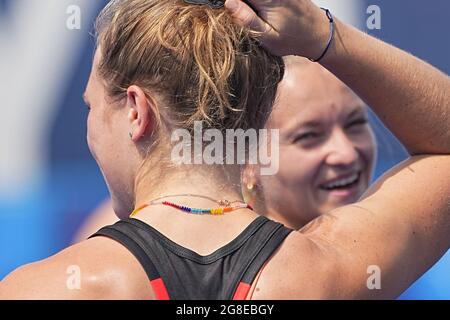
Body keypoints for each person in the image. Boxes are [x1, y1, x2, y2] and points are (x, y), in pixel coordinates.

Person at [1, 0, 449, 299]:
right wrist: (325, 37)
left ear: (136, 110)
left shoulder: (49, 288)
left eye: (90, 108)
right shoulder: (322, 273)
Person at [74, 55, 376, 239]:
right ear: (244, 158)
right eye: (308, 136)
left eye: (354, 123)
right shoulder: (143, 243)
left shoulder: (384, 246)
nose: (346, 152)